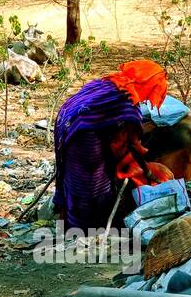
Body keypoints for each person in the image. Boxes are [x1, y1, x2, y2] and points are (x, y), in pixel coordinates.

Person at [53, 59, 175, 230]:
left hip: (65, 121)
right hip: (84, 135)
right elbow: (129, 145)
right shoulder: (127, 103)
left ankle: (67, 221)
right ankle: (85, 229)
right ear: (148, 85)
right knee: (90, 184)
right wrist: (147, 171)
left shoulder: (109, 82)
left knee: (71, 175)